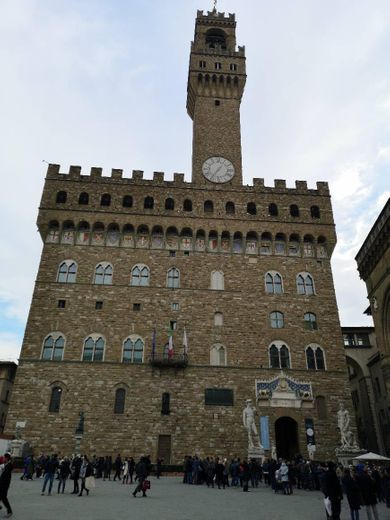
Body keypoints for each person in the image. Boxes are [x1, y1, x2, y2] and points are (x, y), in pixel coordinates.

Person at [0, 453, 13, 518]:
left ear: (7, 458)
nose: (3, 459)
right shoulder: (7, 465)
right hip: (3, 484)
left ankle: (9, 511)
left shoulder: (9, 465)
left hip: (4, 485)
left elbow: (5, 477)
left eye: (4, 458)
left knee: (4, 498)